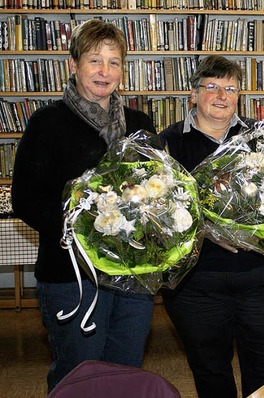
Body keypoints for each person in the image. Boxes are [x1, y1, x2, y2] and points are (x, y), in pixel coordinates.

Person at [11, 19, 157, 393]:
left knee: (127, 375)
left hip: (132, 277)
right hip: (72, 277)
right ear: (73, 65)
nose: (104, 71)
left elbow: (159, 194)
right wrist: (88, 231)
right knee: (80, 377)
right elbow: (26, 199)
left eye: (113, 62)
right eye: (95, 61)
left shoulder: (140, 124)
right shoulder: (47, 123)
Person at [159, 55, 264, 398]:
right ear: (193, 94)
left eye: (230, 88)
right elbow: (156, 215)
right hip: (196, 284)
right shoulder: (168, 143)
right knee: (210, 372)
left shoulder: (262, 138)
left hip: (259, 278)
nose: (221, 95)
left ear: (239, 95)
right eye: (212, 86)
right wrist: (205, 229)